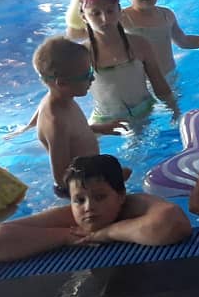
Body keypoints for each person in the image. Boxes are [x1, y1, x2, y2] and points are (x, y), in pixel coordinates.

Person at [0, 155, 190, 262]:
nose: (89, 207)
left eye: (100, 197)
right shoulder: (70, 218)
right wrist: (65, 236)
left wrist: (107, 233)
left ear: (120, 196)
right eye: (79, 200)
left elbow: (173, 224)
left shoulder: (134, 205)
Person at [33, 36, 128, 197]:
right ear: (62, 83)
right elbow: (61, 177)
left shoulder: (65, 100)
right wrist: (104, 183)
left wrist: (98, 128)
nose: (92, 78)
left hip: (88, 178)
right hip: (79, 192)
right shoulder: (56, 121)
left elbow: (74, 133)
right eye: (86, 75)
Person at [77, 0, 178, 123]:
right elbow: (67, 92)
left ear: (119, 10)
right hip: (106, 120)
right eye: (96, 13)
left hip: (146, 112)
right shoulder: (82, 54)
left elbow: (159, 85)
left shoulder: (139, 44)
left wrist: (174, 109)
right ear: (84, 17)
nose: (105, 18)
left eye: (110, 11)